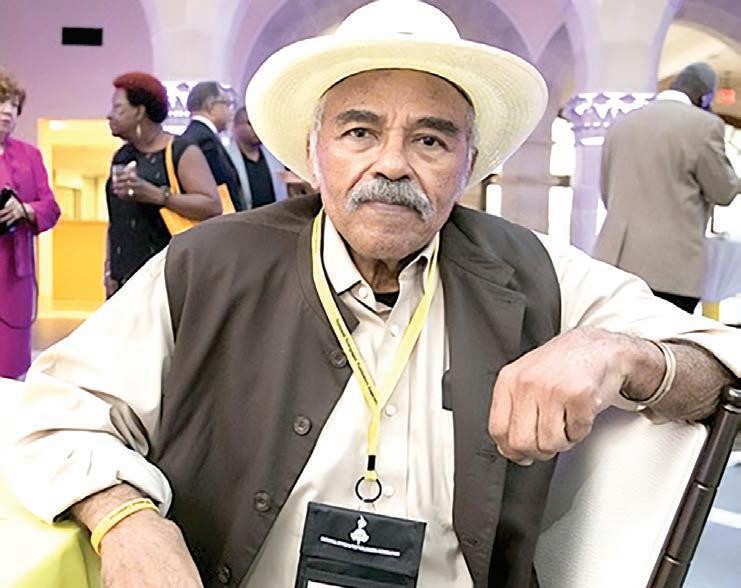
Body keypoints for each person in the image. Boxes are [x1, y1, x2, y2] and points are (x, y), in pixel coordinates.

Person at [4, 2, 740, 587]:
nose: (391, 164)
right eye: (359, 132)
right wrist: (126, 519)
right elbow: (56, 410)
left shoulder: (535, 271)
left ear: (469, 165)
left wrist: (614, 352)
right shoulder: (208, 264)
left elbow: (722, 358)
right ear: (314, 151)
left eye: (430, 140)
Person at [593, 62, 741, 313]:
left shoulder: (623, 123)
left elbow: (608, 192)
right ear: (705, 97)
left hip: (614, 263)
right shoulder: (704, 126)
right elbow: (723, 191)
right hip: (670, 269)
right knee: (663, 336)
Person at [104, 72, 221, 297]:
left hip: (169, 280)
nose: (110, 115)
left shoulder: (180, 151)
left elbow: (211, 205)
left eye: (118, 107)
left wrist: (159, 196)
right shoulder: (122, 156)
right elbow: (116, 220)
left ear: (139, 112)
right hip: (124, 281)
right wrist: (109, 268)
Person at [0, 68, 60, 379]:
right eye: (1, 102)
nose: (8, 111)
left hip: (15, 274)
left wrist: (24, 210)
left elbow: (51, 207)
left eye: (13, 105)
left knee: (11, 361)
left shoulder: (30, 156)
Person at [180, 81, 244, 212]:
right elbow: (219, 184)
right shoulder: (205, 141)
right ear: (210, 106)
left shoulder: (195, 136)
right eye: (227, 104)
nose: (230, 111)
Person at [225, 105, 288, 208]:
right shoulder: (226, 157)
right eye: (250, 124)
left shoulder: (275, 154)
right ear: (235, 126)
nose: (257, 129)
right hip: (244, 215)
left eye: (259, 124)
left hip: (275, 214)